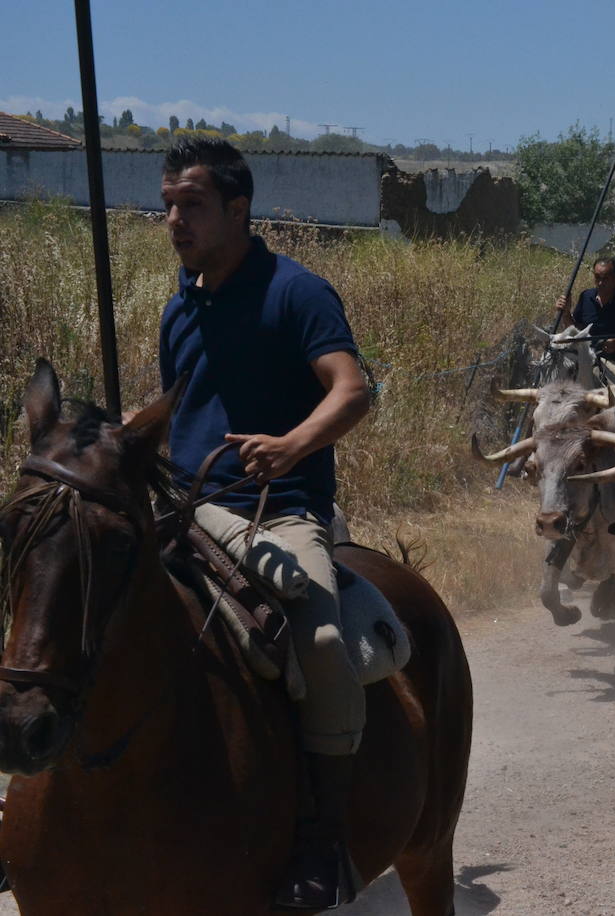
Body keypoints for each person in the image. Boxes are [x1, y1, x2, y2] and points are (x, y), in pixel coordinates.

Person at [157, 137, 371, 909]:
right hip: (181, 506)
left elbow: (352, 391)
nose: (174, 218)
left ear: (239, 210)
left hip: (276, 511)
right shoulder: (181, 305)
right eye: (169, 204)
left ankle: (322, 836)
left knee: (318, 640)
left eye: (193, 205)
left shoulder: (295, 292)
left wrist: (291, 445)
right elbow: (179, 413)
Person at [554, 256, 615, 383]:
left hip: (612, 362)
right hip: (581, 359)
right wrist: (566, 314)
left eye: (606, 279)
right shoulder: (586, 297)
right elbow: (575, 332)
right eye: (597, 278)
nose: (600, 283)